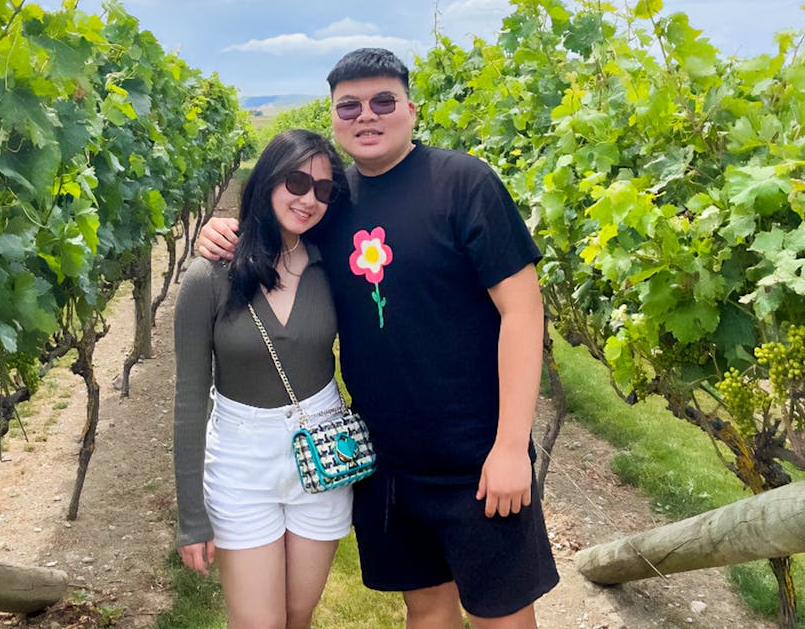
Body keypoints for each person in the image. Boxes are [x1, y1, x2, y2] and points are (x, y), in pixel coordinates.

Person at [197, 48, 559, 629]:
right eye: (350, 105)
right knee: (426, 607)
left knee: (503, 615)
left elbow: (523, 312)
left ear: (411, 109)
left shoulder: (464, 183)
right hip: (384, 462)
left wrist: (511, 446)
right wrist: (221, 233)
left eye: (383, 101)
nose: (367, 115)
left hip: (477, 457)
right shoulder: (332, 204)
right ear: (336, 120)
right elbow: (276, 232)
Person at [173, 128, 353, 629]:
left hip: (323, 450)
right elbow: (189, 399)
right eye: (297, 181)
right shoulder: (208, 277)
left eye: (323, 189)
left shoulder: (331, 266)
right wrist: (191, 517)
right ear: (268, 180)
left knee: (297, 616)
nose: (309, 198)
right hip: (240, 461)